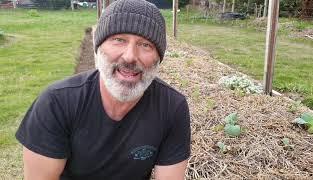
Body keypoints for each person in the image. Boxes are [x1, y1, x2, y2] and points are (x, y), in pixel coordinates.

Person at [15, 0, 191, 179]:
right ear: (98, 48)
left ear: (158, 58)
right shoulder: (56, 103)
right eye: (119, 40)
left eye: (145, 45)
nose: (130, 56)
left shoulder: (172, 108)